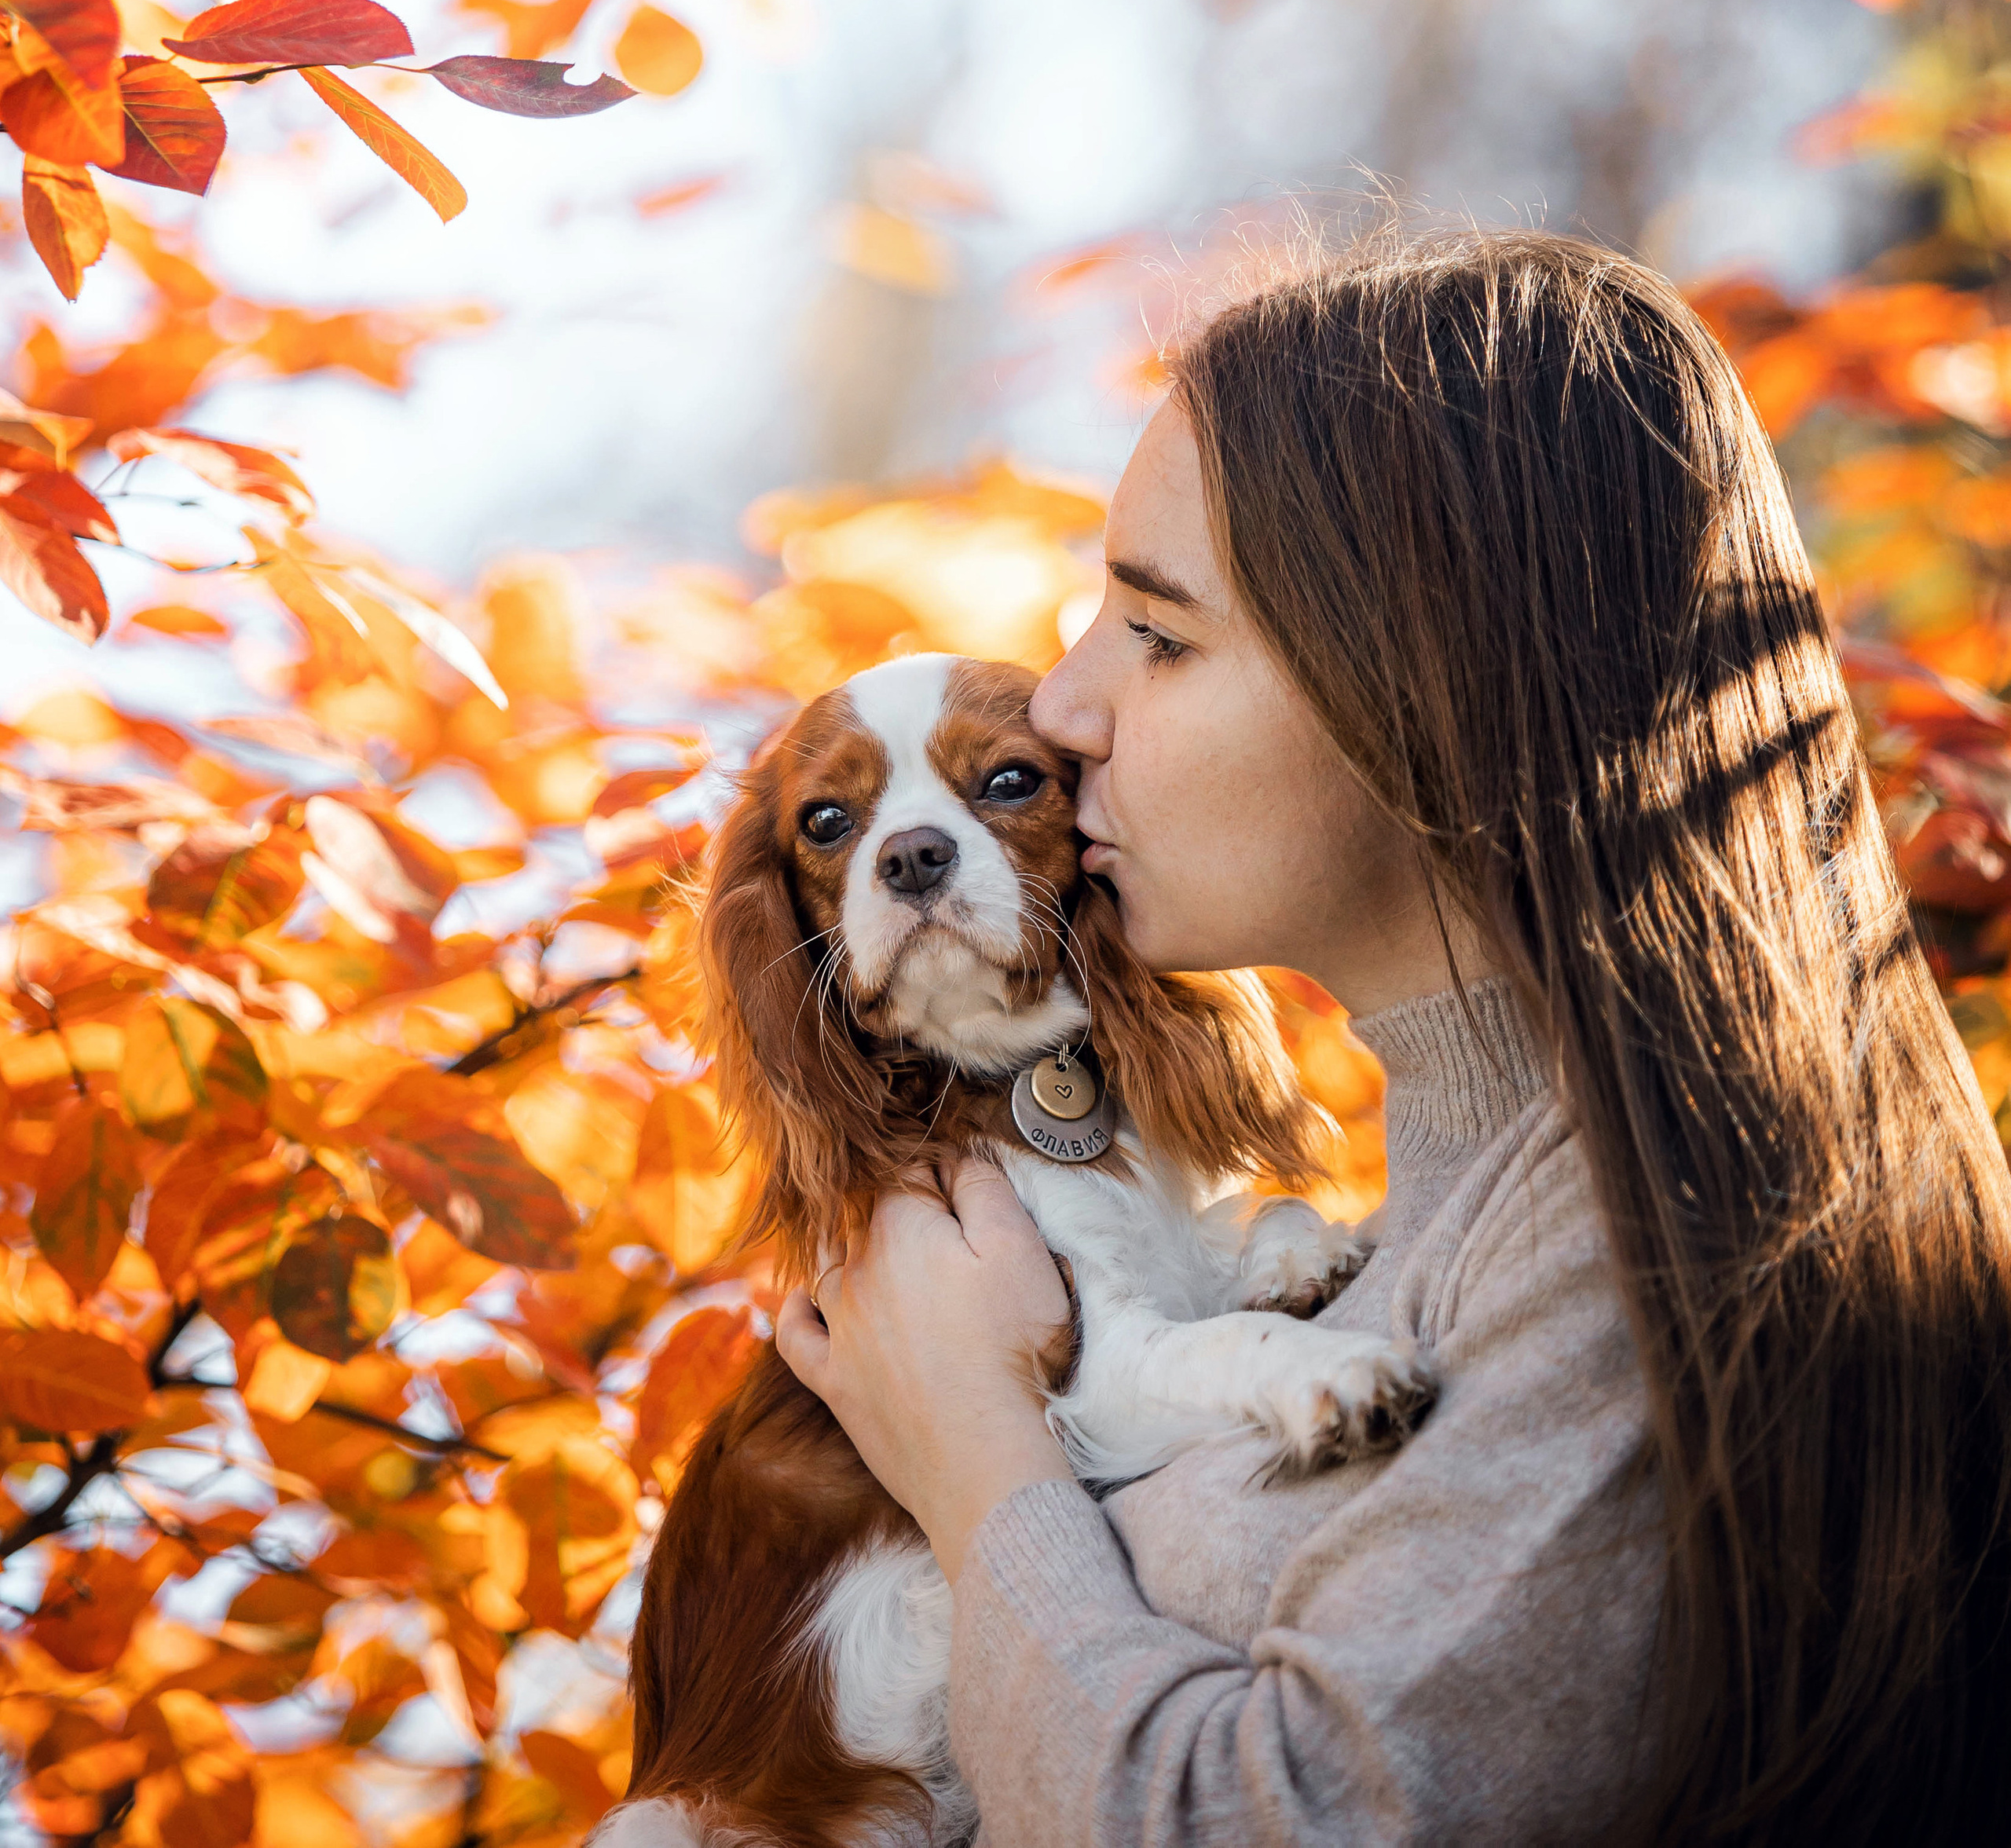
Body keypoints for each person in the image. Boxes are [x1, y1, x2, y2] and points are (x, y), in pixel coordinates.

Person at [776, 229, 2011, 1847]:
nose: (1063, 710)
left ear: (1416, 680)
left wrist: (970, 1450)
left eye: (1154, 637)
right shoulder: (1414, 1228)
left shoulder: (1669, 1227)